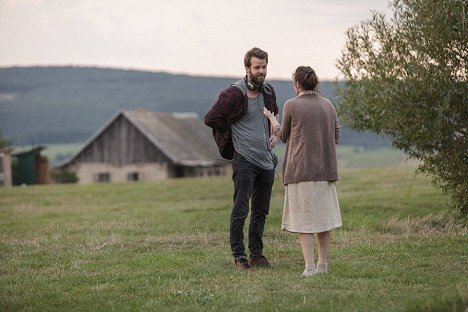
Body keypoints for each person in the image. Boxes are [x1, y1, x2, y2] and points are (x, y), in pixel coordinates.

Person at [263, 66, 342, 277]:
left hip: (301, 171)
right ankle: (323, 264)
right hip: (325, 171)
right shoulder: (328, 105)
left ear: (297, 84)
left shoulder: (292, 105)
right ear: (315, 82)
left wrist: (272, 120)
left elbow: (283, 135)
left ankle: (309, 267)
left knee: (303, 222)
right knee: (323, 221)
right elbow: (336, 135)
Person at [204, 47, 279, 270]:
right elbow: (211, 118)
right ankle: (239, 257)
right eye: (257, 67)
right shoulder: (234, 94)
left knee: (261, 211)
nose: (261, 71)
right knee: (240, 209)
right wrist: (232, 136)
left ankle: (256, 254)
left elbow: (273, 113)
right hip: (244, 159)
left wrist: (272, 132)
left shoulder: (268, 91)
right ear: (247, 68)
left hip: (266, 159)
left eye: (264, 66)